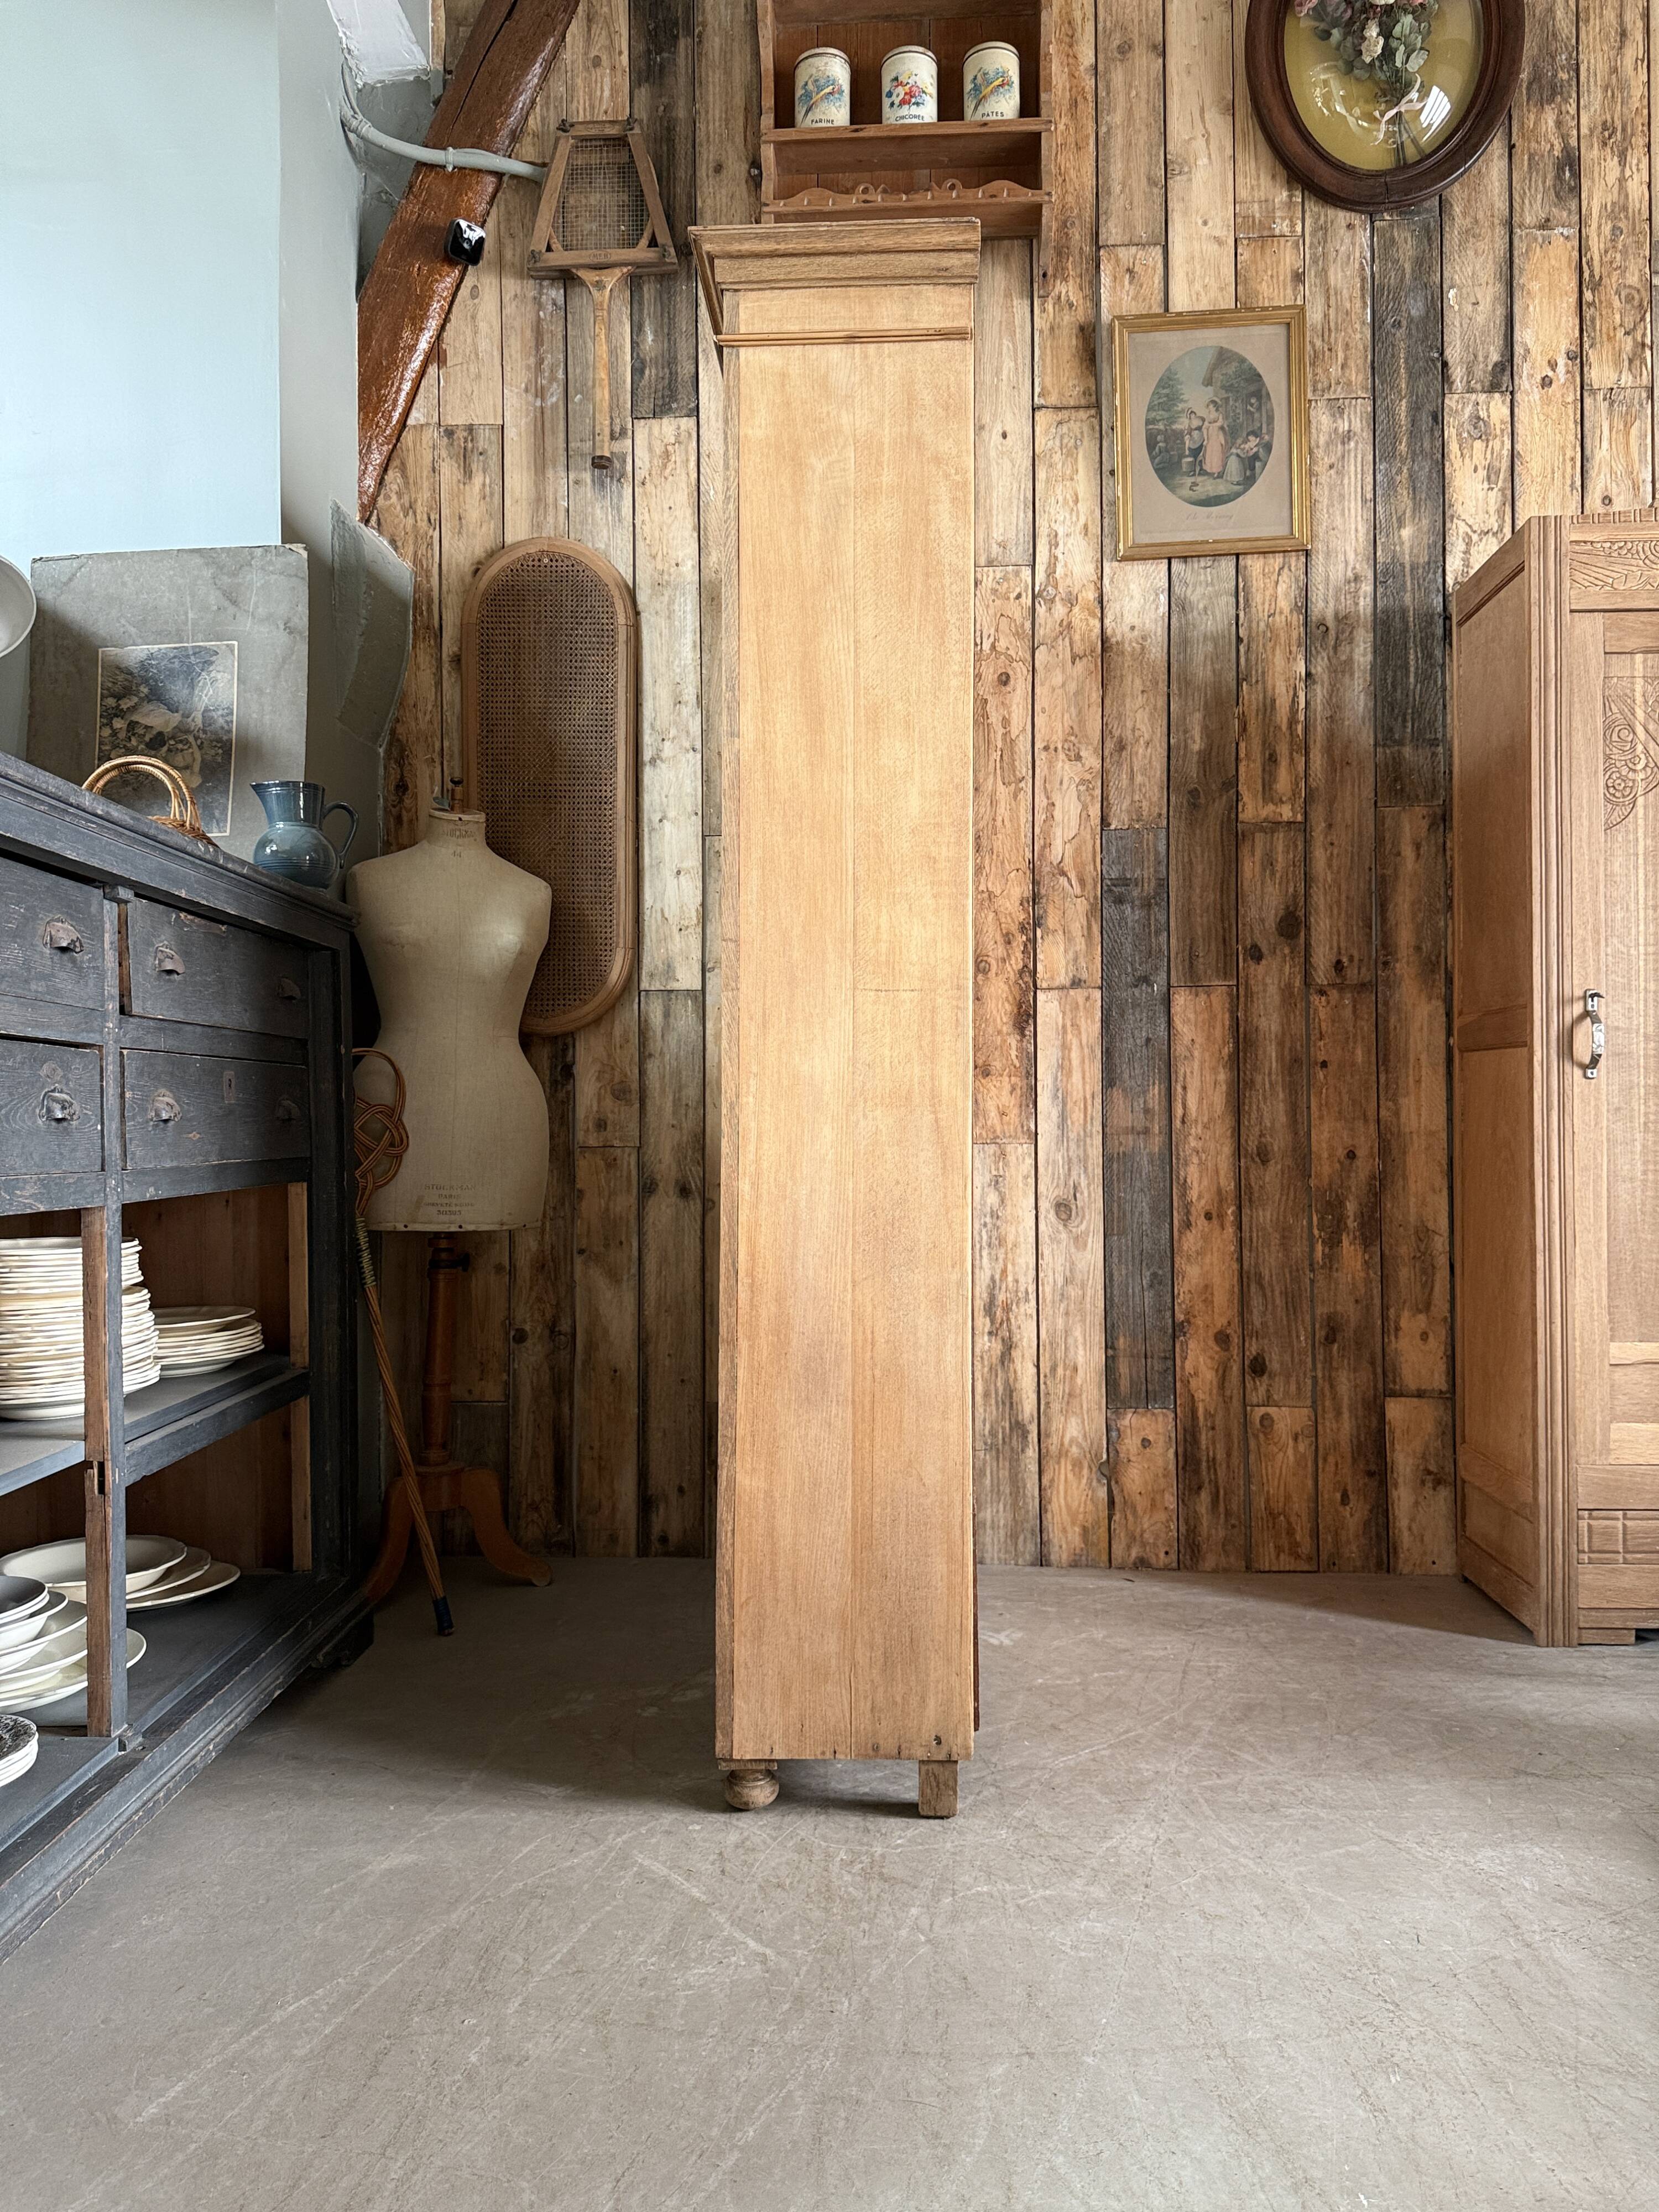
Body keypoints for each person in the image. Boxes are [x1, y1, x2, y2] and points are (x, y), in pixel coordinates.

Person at [1201, 398, 1229, 479]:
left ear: (1215, 407)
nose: (1210, 408)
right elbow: (1205, 426)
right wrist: (1206, 439)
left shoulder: (1220, 414)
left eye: (1211, 406)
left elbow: (1221, 423)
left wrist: (1212, 425)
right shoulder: (1208, 415)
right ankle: (1211, 469)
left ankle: (1217, 471)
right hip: (1210, 435)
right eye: (1209, 406)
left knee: (1218, 451)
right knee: (1210, 452)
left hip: (1218, 433)